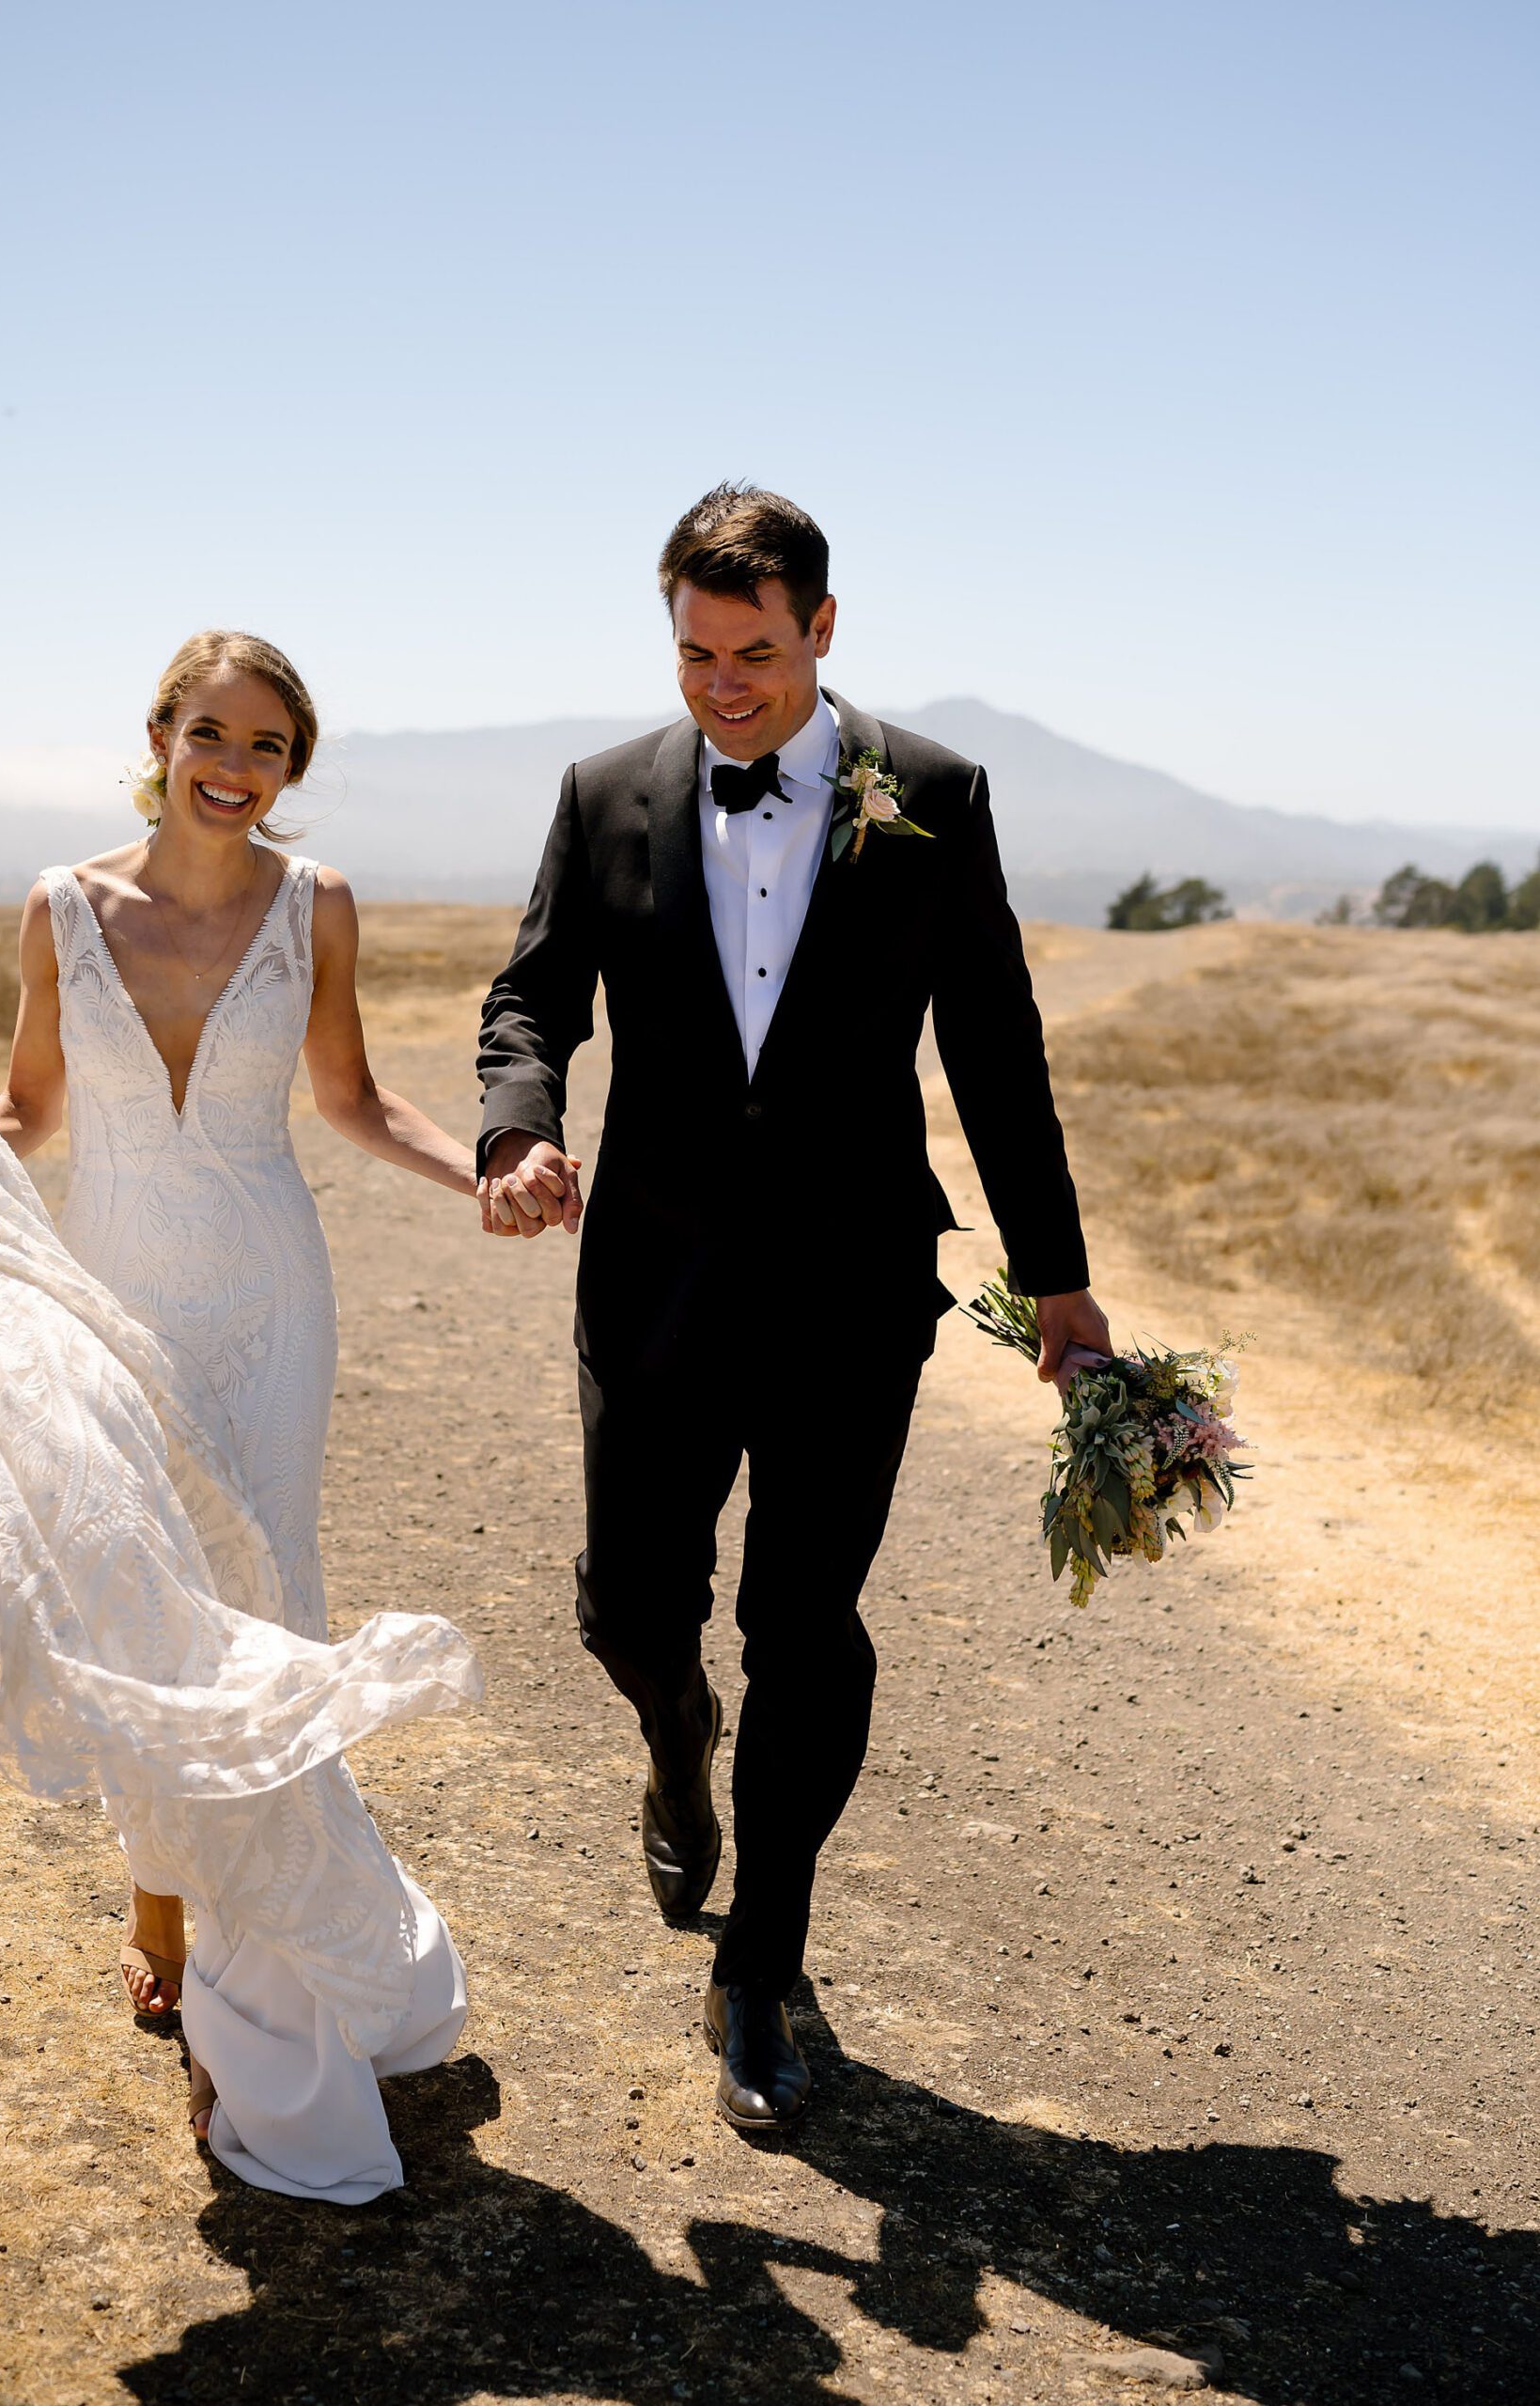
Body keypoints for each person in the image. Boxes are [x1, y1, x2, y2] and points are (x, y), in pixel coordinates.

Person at [475, 484, 1111, 2133]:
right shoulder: (602, 794)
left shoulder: (934, 796)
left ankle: (760, 1962)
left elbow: (992, 1042)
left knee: (806, 1626)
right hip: (653, 1279)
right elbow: (534, 993)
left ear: (822, 629)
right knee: (630, 1606)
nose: (722, 685)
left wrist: (1058, 1280)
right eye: (694, 653)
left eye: (754, 652)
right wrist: (520, 1124)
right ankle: (673, 1742)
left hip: (845, 1290)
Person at [0, 630, 485, 2203]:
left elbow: (350, 1099)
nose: (234, 768)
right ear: (160, 736)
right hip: (111, 1292)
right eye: (211, 734)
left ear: (290, 770)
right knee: (144, 1611)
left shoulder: (314, 908)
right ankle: (159, 1914)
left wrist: (488, 1174)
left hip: (271, 1303)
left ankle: (249, 2033)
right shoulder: (63, 906)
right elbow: (28, 1109)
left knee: (263, 1606)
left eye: (266, 748)